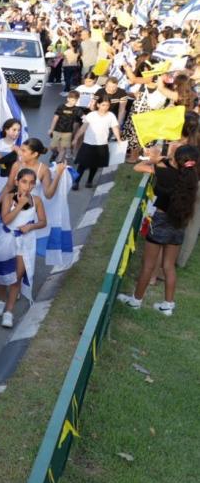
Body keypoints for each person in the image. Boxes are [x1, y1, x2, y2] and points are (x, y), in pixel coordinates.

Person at [118, 145, 200, 317]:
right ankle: (168, 305)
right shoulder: (192, 178)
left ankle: (136, 300)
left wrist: (154, 158)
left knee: (148, 265)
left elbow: (137, 167)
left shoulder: (165, 173)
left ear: (175, 159)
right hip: (180, 224)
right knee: (169, 266)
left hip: (161, 221)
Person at [0, 167, 46, 329]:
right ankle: (0, 299)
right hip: (8, 238)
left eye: (31, 183)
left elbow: (43, 221)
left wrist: (31, 227)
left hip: (25, 241)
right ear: (17, 182)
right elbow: (6, 220)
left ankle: (9, 310)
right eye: (24, 182)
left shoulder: (36, 200)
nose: (27, 186)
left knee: (17, 276)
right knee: (2, 272)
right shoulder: (9, 198)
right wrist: (20, 204)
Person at [73, 96, 121, 189]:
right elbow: (83, 127)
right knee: (82, 164)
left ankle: (89, 181)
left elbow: (115, 128)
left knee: (95, 165)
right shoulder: (91, 115)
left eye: (107, 105)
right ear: (98, 105)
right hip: (88, 143)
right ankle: (76, 182)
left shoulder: (111, 115)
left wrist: (118, 139)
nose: (105, 107)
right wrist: (76, 138)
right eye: (103, 105)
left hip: (102, 144)